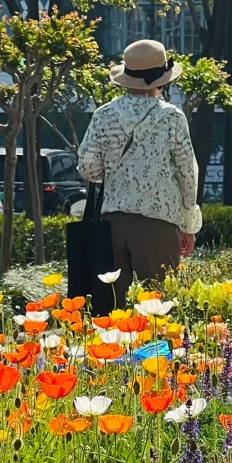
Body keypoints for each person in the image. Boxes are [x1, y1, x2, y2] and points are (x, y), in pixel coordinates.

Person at [77, 39, 202, 301]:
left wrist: (112, 174)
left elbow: (87, 167)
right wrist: (188, 224)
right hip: (159, 222)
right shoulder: (171, 117)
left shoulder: (103, 114)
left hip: (112, 223)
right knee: (160, 308)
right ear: (162, 79)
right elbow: (187, 173)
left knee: (112, 309)